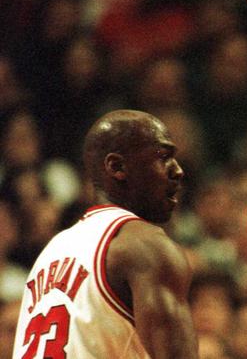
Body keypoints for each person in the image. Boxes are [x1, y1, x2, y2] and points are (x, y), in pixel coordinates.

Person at [12, 110, 199, 358]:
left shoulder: (53, 250)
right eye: (163, 156)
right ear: (117, 167)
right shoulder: (145, 246)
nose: (178, 170)